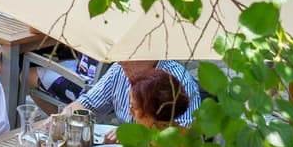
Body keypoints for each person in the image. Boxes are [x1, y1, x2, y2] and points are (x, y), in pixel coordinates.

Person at [68, 58, 201, 127]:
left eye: (128, 54)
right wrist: (60, 119)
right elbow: (88, 104)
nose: (120, 61)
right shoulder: (119, 69)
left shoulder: (177, 81)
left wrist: (131, 136)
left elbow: (184, 135)